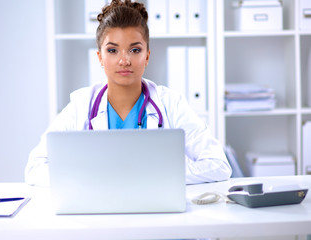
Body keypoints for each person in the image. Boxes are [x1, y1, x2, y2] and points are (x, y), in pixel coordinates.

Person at [25, 0, 232, 186]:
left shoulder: (171, 103)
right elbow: (34, 168)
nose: (124, 60)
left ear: (147, 56)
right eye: (113, 50)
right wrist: (89, 176)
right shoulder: (81, 105)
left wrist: (158, 174)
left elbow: (219, 165)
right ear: (100, 57)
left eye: (135, 50)